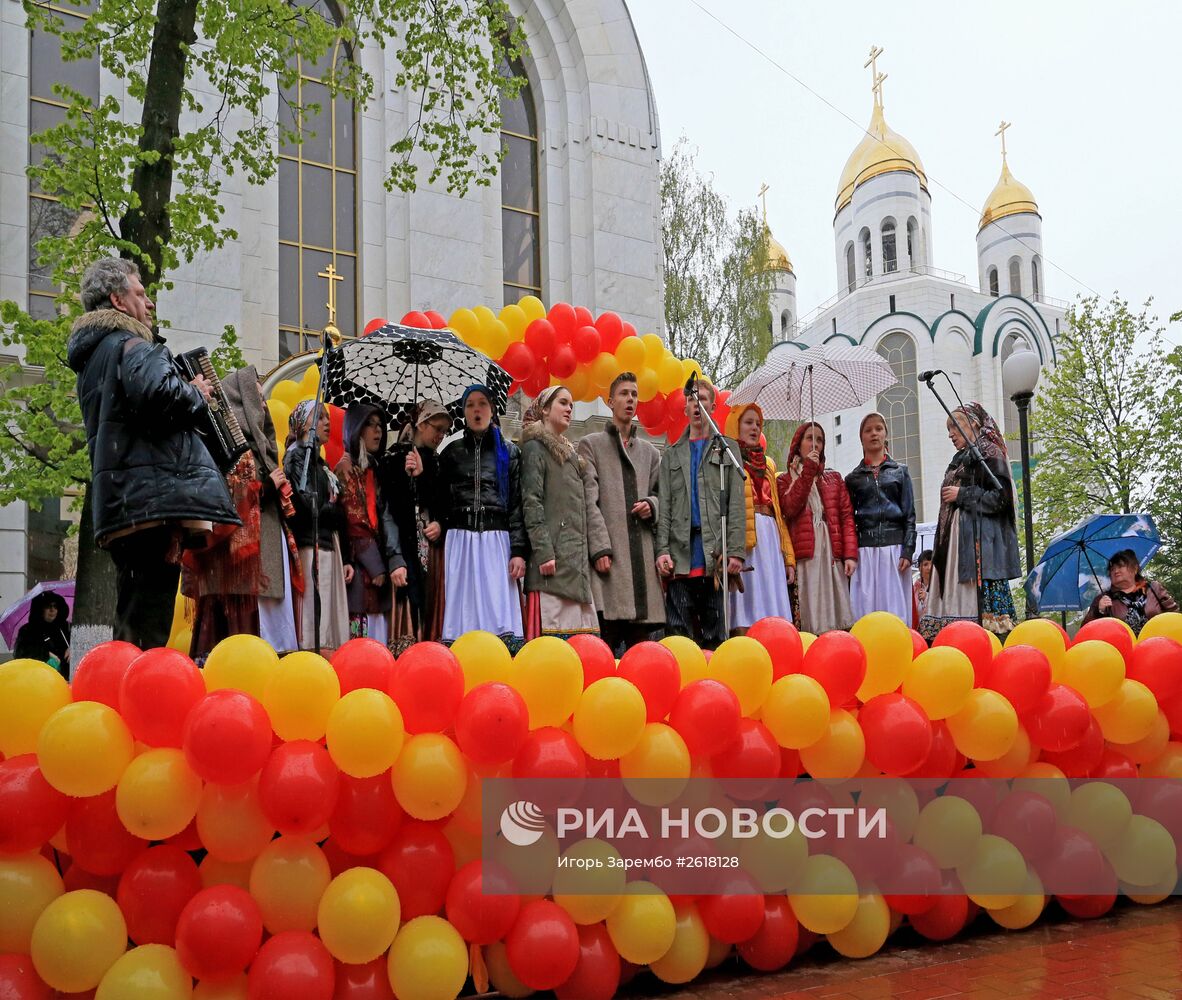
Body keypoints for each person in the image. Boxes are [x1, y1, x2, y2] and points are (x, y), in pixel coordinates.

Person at [66, 257, 239, 650]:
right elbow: (161, 394)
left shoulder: (95, 357)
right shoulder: (134, 345)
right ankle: (143, 702)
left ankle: (118, 698)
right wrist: (198, 390)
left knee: (131, 618)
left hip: (125, 506)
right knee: (150, 627)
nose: (150, 303)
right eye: (140, 293)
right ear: (118, 299)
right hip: (152, 505)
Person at [183, 366, 302, 659]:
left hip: (257, 565)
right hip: (235, 568)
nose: (263, 405)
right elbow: (225, 499)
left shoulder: (259, 448)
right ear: (242, 400)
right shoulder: (227, 443)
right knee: (237, 645)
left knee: (262, 642)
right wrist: (266, 489)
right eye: (257, 398)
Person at [578, 372, 665, 653]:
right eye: (624, 393)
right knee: (606, 649)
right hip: (610, 565)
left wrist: (652, 505)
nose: (630, 399)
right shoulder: (591, 445)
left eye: (634, 394)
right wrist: (600, 548)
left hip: (643, 568)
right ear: (610, 400)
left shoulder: (650, 453)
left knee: (642, 656)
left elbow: (663, 496)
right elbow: (588, 501)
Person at [655, 380, 745, 649]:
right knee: (677, 636)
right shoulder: (670, 455)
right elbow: (665, 506)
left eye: (703, 399)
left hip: (714, 556)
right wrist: (662, 551)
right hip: (681, 557)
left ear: (712, 406)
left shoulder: (728, 449)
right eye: (692, 400)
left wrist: (736, 550)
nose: (697, 405)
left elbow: (736, 504)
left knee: (716, 636)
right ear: (686, 408)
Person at [919, 403, 1021, 640]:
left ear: (973, 423)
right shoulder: (961, 458)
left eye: (954, 426)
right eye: (948, 429)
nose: (950, 434)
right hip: (958, 542)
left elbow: (1002, 497)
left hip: (979, 546)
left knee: (984, 620)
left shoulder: (989, 452)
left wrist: (962, 495)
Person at [437, 385, 526, 649]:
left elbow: (516, 504)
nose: (477, 410)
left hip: (496, 541)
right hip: (460, 540)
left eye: (483, 403)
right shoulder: (450, 454)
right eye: (470, 405)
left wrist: (518, 550)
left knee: (497, 611)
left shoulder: (509, 452)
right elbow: (440, 501)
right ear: (463, 412)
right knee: (463, 610)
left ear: (493, 408)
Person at [520, 385, 601, 639]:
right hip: (550, 569)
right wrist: (544, 552)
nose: (569, 409)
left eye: (571, 405)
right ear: (545, 409)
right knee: (553, 649)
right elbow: (531, 502)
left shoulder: (571, 455)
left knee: (583, 647)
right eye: (563, 403)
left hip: (574, 567)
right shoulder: (535, 448)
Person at [381, 399, 451, 651]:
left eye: (445, 430)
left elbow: (443, 505)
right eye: (437, 428)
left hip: (431, 553)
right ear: (421, 424)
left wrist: (440, 524)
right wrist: (395, 557)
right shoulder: (394, 458)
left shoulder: (437, 462)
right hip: (405, 548)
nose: (441, 435)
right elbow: (389, 510)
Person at [284, 400, 352, 650]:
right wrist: (332, 508)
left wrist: (347, 558)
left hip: (326, 544)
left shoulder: (319, 464)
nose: (326, 423)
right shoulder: (297, 457)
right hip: (311, 545)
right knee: (315, 622)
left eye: (327, 417)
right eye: (319, 417)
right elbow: (304, 506)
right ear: (304, 424)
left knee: (328, 620)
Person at [778, 422, 857, 635]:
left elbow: (846, 517)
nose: (815, 443)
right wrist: (807, 472)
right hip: (806, 554)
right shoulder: (785, 480)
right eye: (810, 438)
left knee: (836, 607)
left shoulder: (834, 479)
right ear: (798, 444)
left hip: (831, 550)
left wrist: (850, 555)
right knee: (809, 605)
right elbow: (789, 508)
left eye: (820, 439)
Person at [337, 403, 406, 645]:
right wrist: (376, 565)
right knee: (361, 635)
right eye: (370, 425)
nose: (377, 431)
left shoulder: (373, 470)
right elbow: (354, 521)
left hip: (376, 567)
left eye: (380, 426)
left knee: (378, 636)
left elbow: (383, 516)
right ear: (355, 429)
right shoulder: (346, 469)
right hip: (359, 568)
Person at [724, 403, 795, 633]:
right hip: (745, 536)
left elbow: (778, 512)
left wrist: (788, 557)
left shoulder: (769, 464)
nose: (754, 428)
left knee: (771, 596)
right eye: (748, 422)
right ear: (736, 426)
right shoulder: (728, 461)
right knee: (748, 599)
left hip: (770, 536)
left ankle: (775, 638)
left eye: (757, 423)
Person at [844, 412, 917, 623]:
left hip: (894, 551)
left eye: (878, 428)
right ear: (861, 438)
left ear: (886, 434)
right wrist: (850, 553)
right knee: (865, 611)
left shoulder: (901, 472)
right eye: (868, 430)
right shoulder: (852, 478)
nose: (874, 433)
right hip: (864, 551)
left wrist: (908, 550)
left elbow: (909, 515)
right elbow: (849, 519)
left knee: (895, 612)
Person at [1081, 549, 1178, 636]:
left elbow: (1175, 614)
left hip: (1159, 646)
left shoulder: (1153, 588)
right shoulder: (1103, 598)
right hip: (1125, 651)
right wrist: (1099, 611)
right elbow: (1086, 629)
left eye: (1120, 566)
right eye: (1112, 569)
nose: (1115, 571)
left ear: (1135, 569)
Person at [13, 591, 71, 677]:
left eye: (55, 606)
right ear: (40, 609)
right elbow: (20, 654)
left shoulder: (65, 627)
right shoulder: (28, 630)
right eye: (48, 606)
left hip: (66, 681)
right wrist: (45, 654)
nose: (52, 610)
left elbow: (83, 645)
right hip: (40, 680)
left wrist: (73, 648)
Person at [913, 548, 934, 631]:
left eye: (932, 564)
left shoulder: (940, 588)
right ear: (919, 568)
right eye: (925, 564)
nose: (929, 568)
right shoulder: (915, 587)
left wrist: (927, 597)